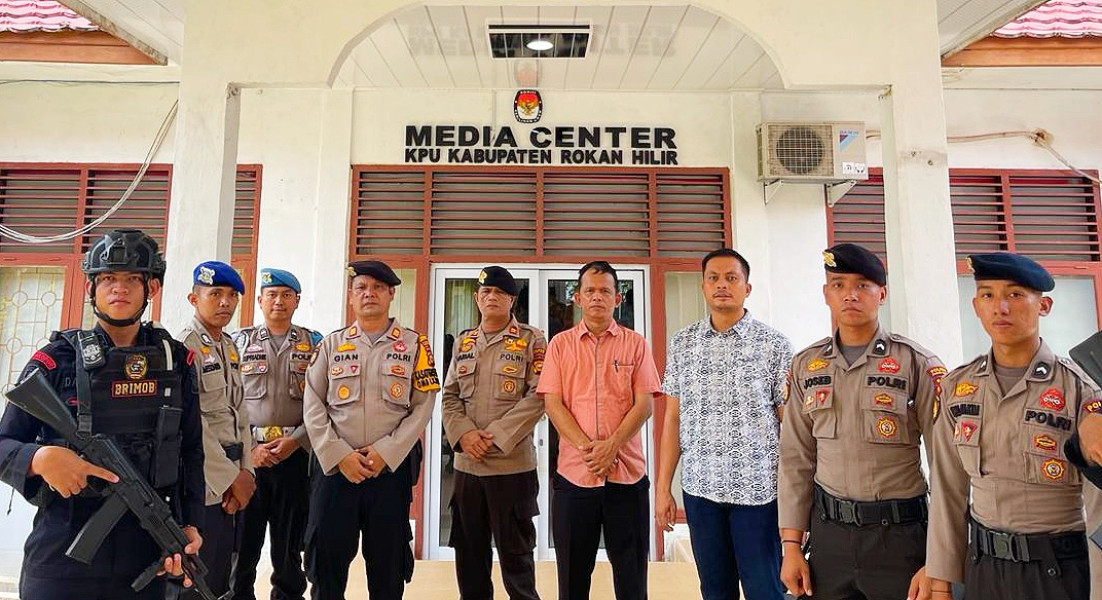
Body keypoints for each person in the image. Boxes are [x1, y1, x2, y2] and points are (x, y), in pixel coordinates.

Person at [0, 228, 204, 599]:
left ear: (151, 289)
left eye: (131, 279)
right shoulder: (55, 361)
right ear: (91, 288)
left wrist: (189, 526)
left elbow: (191, 452)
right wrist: (38, 458)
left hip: (145, 551)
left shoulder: (176, 362)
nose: (119, 288)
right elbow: (3, 445)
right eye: (108, 278)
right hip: (62, 550)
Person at [926, 252, 1096, 599]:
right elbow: (947, 488)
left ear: (1044, 306)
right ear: (976, 306)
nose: (999, 308)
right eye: (988, 295)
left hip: (1057, 572)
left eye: (1015, 295)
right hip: (984, 568)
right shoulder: (958, 388)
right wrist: (941, 580)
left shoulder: (1080, 390)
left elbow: (1098, 507)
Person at [778, 243, 941, 600]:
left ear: (882, 293)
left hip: (900, 538)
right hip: (829, 538)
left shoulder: (917, 364)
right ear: (826, 294)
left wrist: (939, 560)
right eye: (838, 285)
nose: (849, 295)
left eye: (862, 285)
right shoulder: (807, 365)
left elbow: (946, 466)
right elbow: (795, 459)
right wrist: (791, 545)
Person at [655, 248, 792, 600]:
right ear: (702, 287)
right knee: (715, 590)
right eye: (713, 278)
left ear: (747, 288)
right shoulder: (683, 343)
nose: (722, 285)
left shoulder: (774, 345)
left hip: (759, 493)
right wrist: (662, 488)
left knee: (766, 589)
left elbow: (790, 425)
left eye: (732, 278)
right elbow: (673, 418)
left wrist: (797, 498)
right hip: (701, 491)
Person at [302, 260, 440, 600]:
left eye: (378, 288)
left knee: (387, 569)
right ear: (351, 296)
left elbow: (423, 406)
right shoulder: (331, 345)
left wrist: (385, 453)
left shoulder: (414, 346)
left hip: (388, 474)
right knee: (326, 569)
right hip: (336, 472)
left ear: (391, 294)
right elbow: (312, 404)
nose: (369, 294)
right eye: (362, 288)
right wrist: (339, 455)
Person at [536, 260, 661, 600]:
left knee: (632, 581)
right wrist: (589, 450)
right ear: (577, 298)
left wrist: (612, 446)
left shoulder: (636, 344)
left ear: (617, 299)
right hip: (575, 478)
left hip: (627, 479)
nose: (597, 297)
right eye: (589, 290)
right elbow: (553, 404)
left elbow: (645, 404)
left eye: (605, 291)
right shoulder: (560, 345)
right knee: (573, 582)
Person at [442, 266, 548, 600]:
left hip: (511, 468)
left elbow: (540, 395)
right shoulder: (464, 341)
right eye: (485, 292)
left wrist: (496, 436)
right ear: (476, 298)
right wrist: (465, 436)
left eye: (499, 293)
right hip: (467, 468)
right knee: (470, 559)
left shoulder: (532, 339)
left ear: (512, 300)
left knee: (517, 562)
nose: (491, 297)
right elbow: (449, 396)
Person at [231, 268, 321, 600]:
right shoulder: (238, 343)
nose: (278, 301)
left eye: (286, 295)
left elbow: (322, 403)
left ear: (297, 300)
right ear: (259, 301)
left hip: (294, 456)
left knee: (288, 548)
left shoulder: (314, 343)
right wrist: (250, 448)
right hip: (249, 458)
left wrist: (296, 440)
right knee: (242, 545)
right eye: (271, 295)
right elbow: (228, 402)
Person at [175, 260, 256, 599]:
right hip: (205, 485)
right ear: (195, 299)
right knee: (197, 582)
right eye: (215, 294)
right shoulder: (185, 347)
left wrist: (247, 471)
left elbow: (239, 414)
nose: (225, 302)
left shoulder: (228, 345)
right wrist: (230, 478)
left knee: (222, 578)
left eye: (231, 295)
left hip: (232, 481)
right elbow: (191, 423)